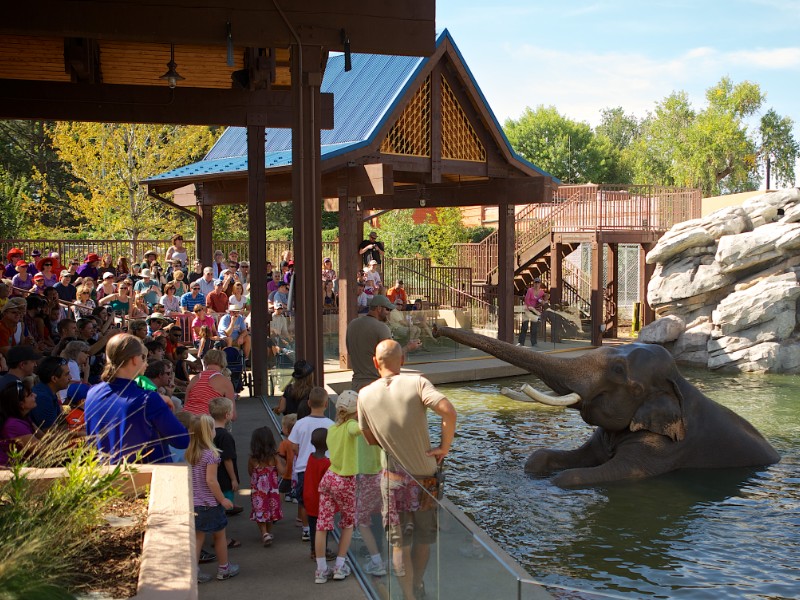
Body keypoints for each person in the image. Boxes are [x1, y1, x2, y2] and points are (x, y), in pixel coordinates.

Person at [358, 339, 458, 600]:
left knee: (399, 544)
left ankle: (407, 596)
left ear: (374, 363)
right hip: (425, 480)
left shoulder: (365, 394)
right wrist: (443, 447)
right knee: (424, 539)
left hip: (392, 480)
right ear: (402, 360)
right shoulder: (417, 382)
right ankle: (418, 585)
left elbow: (369, 438)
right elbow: (448, 411)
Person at [84, 333, 189, 464]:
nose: (146, 363)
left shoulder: (92, 392)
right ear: (134, 359)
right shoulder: (148, 400)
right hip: (144, 476)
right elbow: (182, 440)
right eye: (143, 358)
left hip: (104, 475)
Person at [313, 390, 364, 584]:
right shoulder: (351, 425)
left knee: (323, 523)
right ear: (356, 411)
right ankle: (339, 566)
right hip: (345, 480)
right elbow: (356, 430)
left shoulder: (332, 429)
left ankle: (321, 570)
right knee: (348, 523)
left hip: (329, 478)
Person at [188, 414, 240, 583]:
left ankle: (194, 571)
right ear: (207, 432)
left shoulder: (191, 454)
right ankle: (224, 568)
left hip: (194, 503)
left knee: (198, 538)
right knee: (220, 536)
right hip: (210, 503)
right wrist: (222, 499)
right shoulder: (211, 455)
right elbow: (211, 480)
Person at [346, 295, 420, 391]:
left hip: (356, 385)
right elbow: (392, 356)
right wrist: (409, 347)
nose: (389, 313)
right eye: (387, 310)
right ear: (379, 308)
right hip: (375, 386)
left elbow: (349, 351)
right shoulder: (381, 328)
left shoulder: (352, 324)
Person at [288, 387, 334, 544]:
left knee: (306, 501)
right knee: (324, 502)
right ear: (326, 404)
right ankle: (323, 532)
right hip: (325, 468)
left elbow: (293, 446)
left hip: (304, 468)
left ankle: (306, 529)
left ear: (308, 403)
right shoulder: (331, 425)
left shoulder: (300, 423)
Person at [248, 425, 285, 547]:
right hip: (272, 490)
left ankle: (264, 533)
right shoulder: (274, 457)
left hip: (258, 492)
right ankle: (268, 532)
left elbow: (250, 472)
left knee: (260, 512)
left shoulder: (253, 459)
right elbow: (281, 471)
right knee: (271, 511)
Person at [209, 397, 243, 519]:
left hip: (212, 476)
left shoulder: (208, 433)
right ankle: (222, 537)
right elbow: (227, 459)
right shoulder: (225, 436)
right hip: (224, 479)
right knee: (223, 508)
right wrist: (233, 479)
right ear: (227, 415)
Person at [305, 427, 332, 570]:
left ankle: (313, 550)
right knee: (322, 529)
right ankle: (322, 551)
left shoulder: (311, 457)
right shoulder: (326, 463)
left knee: (312, 525)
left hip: (309, 497)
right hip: (320, 500)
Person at [184, 349, 236, 419]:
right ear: (223, 363)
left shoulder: (194, 379)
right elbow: (232, 415)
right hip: (206, 421)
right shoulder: (225, 381)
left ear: (205, 362)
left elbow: (186, 403)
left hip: (187, 419)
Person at [0, 377, 40, 466]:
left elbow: (44, 436)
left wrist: (73, 434)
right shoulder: (14, 425)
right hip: (10, 474)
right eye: (30, 395)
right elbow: (42, 449)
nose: (35, 395)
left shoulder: (24, 418)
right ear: (21, 404)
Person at [29, 356, 71, 431]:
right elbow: (49, 433)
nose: (70, 377)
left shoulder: (48, 391)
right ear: (54, 379)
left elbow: (60, 420)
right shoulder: (42, 398)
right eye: (67, 374)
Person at [518, 277, 549, 347]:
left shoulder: (541, 292)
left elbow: (543, 300)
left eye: (538, 283)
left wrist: (544, 302)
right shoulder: (530, 290)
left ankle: (534, 342)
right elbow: (526, 300)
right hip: (527, 309)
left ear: (540, 284)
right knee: (525, 326)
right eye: (535, 283)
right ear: (533, 283)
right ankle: (521, 342)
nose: (536, 284)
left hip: (536, 311)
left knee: (534, 327)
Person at [277, 413, 297, 501]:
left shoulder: (284, 443)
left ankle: (280, 504)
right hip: (297, 474)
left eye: (283, 427)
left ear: (287, 429)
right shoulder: (300, 442)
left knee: (279, 489)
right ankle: (293, 495)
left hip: (287, 474)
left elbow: (280, 458)